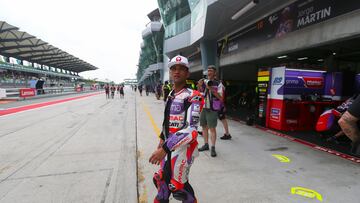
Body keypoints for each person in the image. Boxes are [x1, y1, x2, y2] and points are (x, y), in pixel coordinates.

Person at [149, 55, 203, 203]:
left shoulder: (194, 96)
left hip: (183, 150)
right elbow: (167, 121)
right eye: (173, 68)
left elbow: (191, 130)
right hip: (167, 147)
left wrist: (164, 149)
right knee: (161, 182)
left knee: (177, 187)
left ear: (187, 73)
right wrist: (161, 140)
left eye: (181, 69)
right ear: (170, 72)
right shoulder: (172, 94)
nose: (177, 71)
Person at [198, 65, 223, 157]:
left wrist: (211, 89)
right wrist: (199, 86)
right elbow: (200, 93)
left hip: (212, 108)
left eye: (211, 70)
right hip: (204, 107)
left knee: (212, 128)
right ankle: (206, 144)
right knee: (204, 126)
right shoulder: (204, 81)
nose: (209, 72)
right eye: (208, 70)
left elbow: (221, 98)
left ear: (215, 73)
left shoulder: (218, 83)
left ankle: (213, 147)